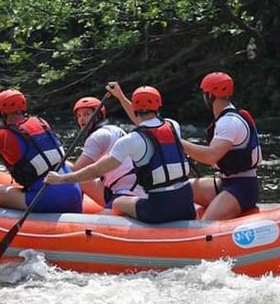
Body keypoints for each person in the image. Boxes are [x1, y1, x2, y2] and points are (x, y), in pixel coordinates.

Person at [45, 83, 196, 224]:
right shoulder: (173, 126)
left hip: (158, 210)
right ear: (159, 105)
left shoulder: (131, 141)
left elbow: (95, 170)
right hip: (186, 206)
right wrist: (120, 96)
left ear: (135, 108)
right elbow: (149, 125)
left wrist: (61, 179)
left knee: (118, 203)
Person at [180, 71, 261, 220]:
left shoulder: (228, 122)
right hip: (225, 182)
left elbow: (211, 156)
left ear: (210, 95)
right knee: (180, 189)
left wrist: (179, 142)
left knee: (206, 225)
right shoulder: (228, 117)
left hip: (241, 188)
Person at [69, 96, 146, 209]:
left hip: (124, 192)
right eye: (79, 116)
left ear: (98, 116)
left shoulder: (97, 137)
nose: (81, 119)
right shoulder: (115, 129)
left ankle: (73, 207)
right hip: (138, 186)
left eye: (86, 114)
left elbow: (77, 171)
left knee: (71, 170)